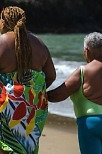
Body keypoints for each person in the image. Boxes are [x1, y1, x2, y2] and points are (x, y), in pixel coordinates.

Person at [47, 32, 102, 154]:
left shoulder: (83, 72)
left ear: (86, 50)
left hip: (92, 123)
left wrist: (39, 93)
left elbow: (58, 95)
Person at [0, 6, 56, 154]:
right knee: (27, 148)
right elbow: (51, 76)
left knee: (5, 146)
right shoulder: (39, 44)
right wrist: (32, 89)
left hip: (7, 106)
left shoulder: (1, 42)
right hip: (33, 108)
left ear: (4, 22)